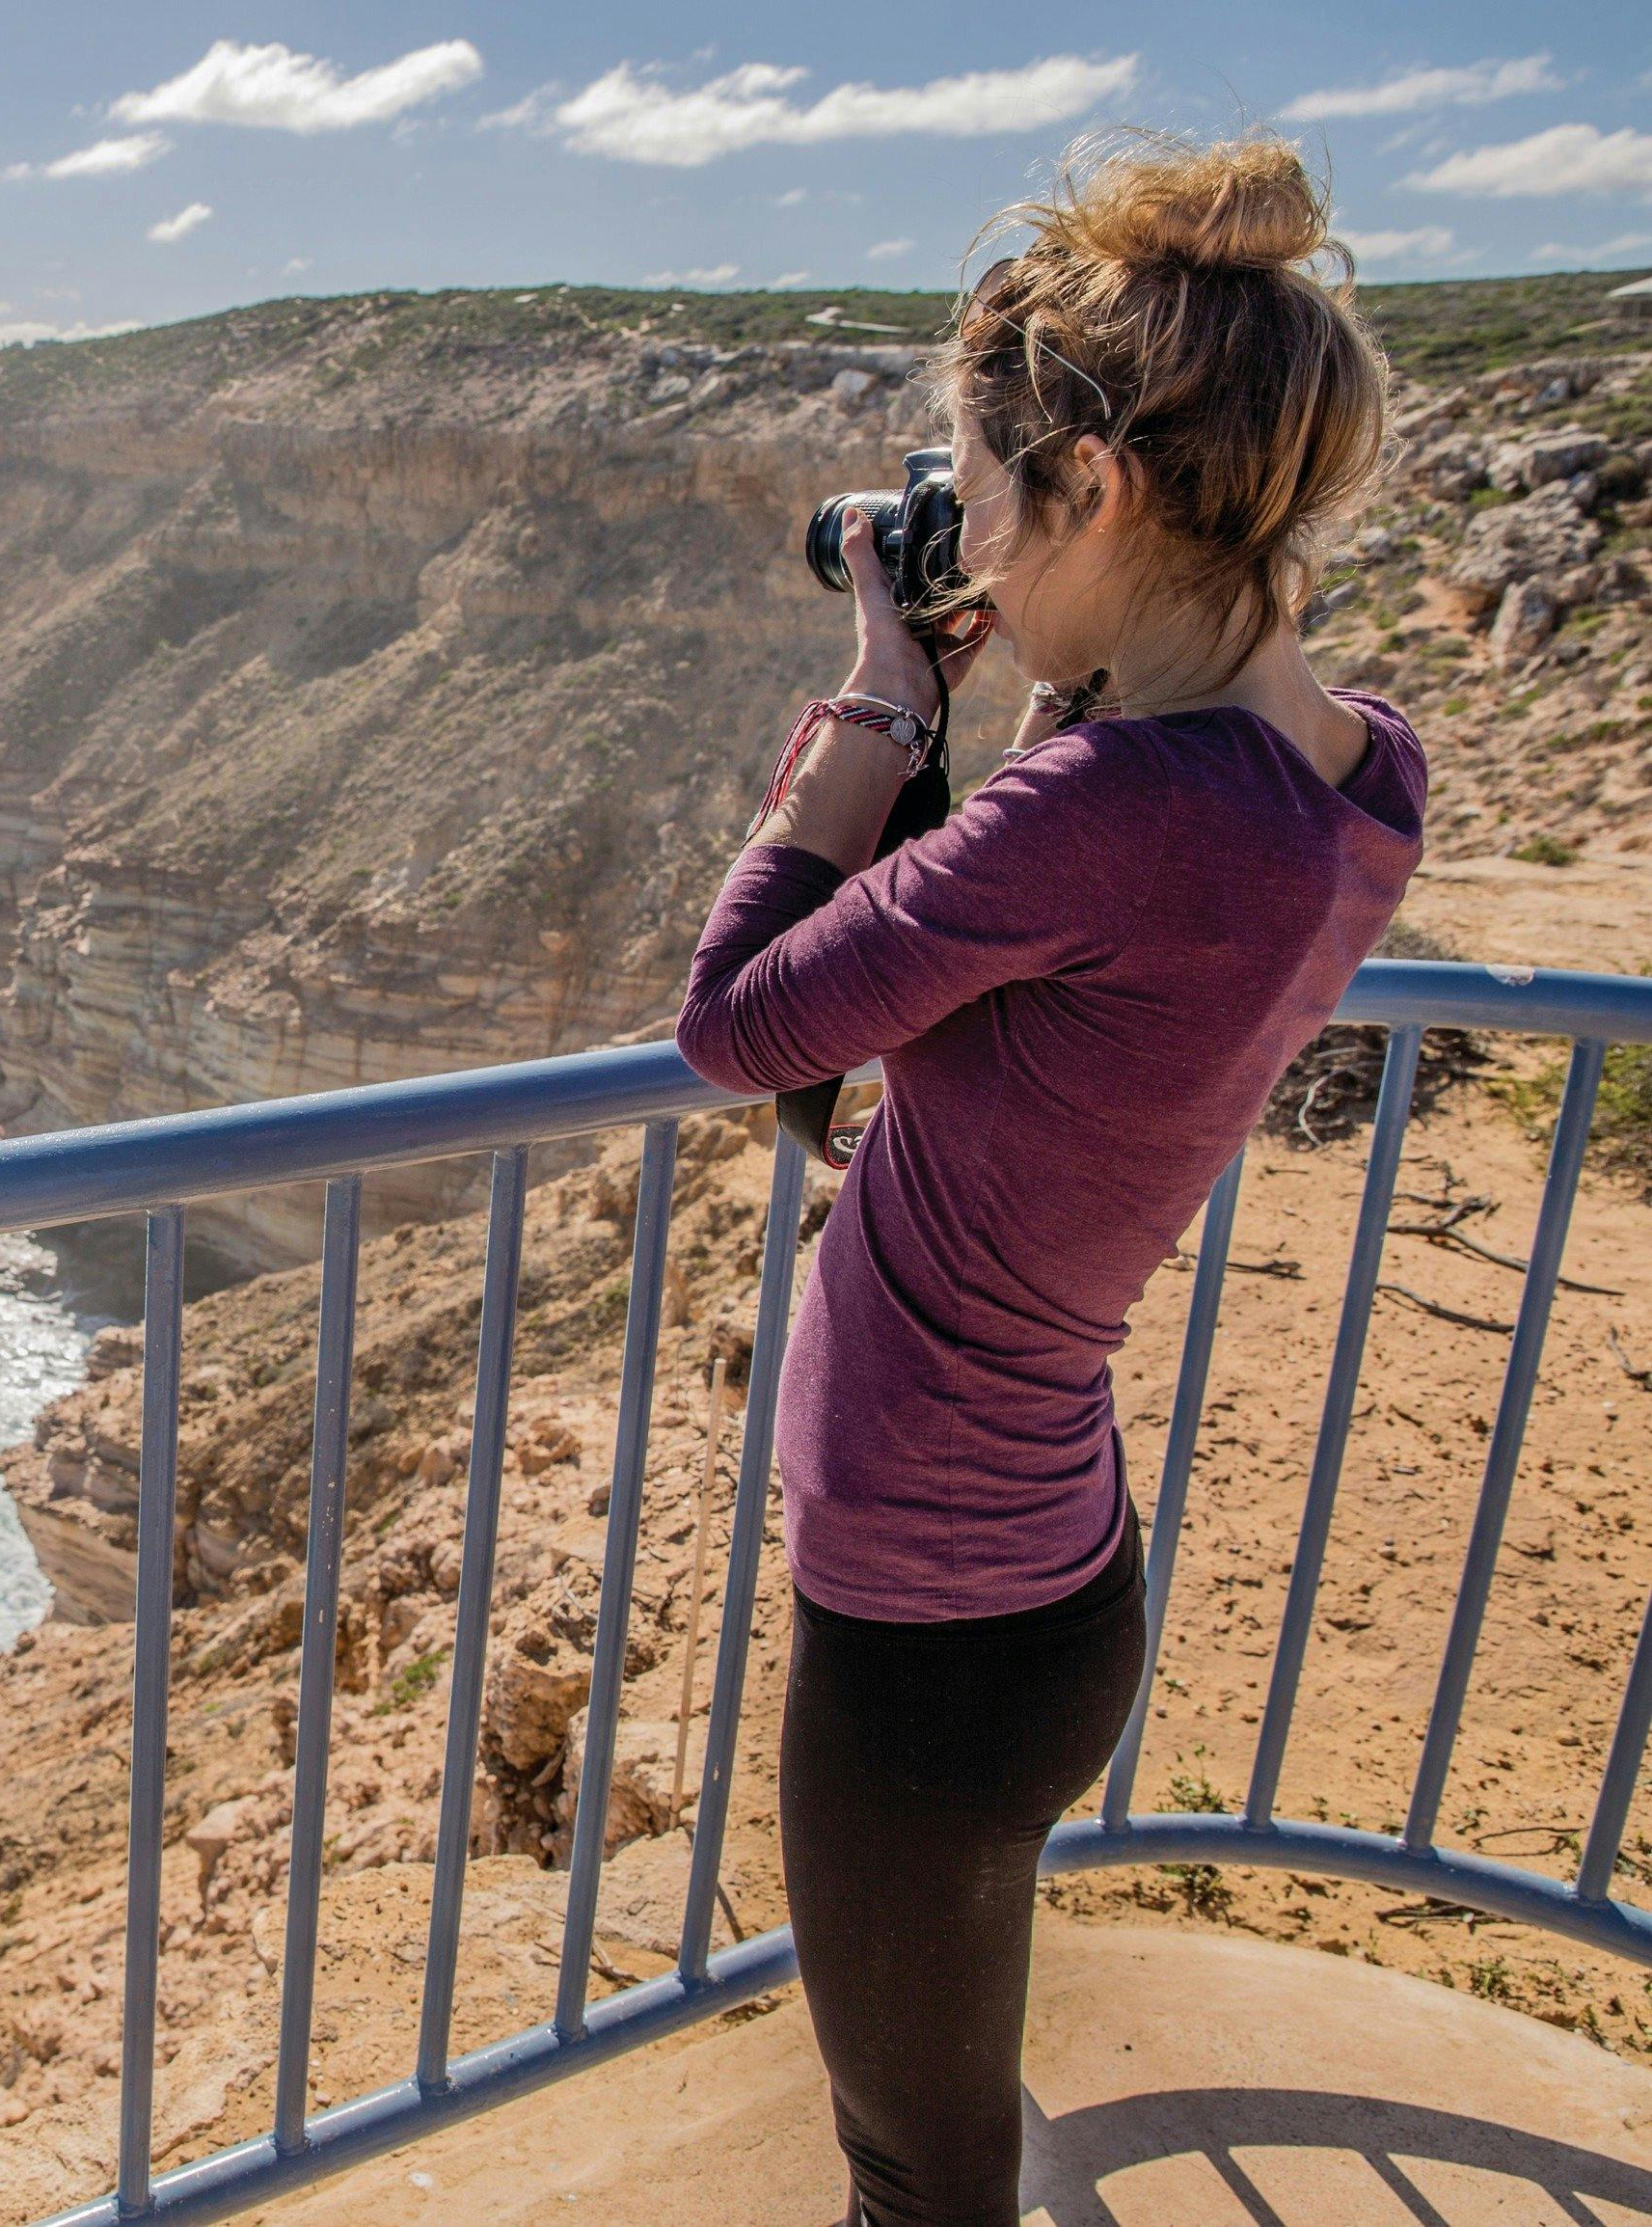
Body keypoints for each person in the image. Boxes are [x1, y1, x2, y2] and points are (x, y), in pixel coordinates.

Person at [673, 132, 1424, 2226]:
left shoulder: (1099, 809)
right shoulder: (1357, 778)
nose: (971, 557)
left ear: (1093, 487)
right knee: (947, 2121)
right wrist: (1041, 680)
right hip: (1044, 1578)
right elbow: (1049, 990)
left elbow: (737, 1029)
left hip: (926, 1630)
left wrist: (881, 691)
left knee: (915, 2177)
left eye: (990, 503)